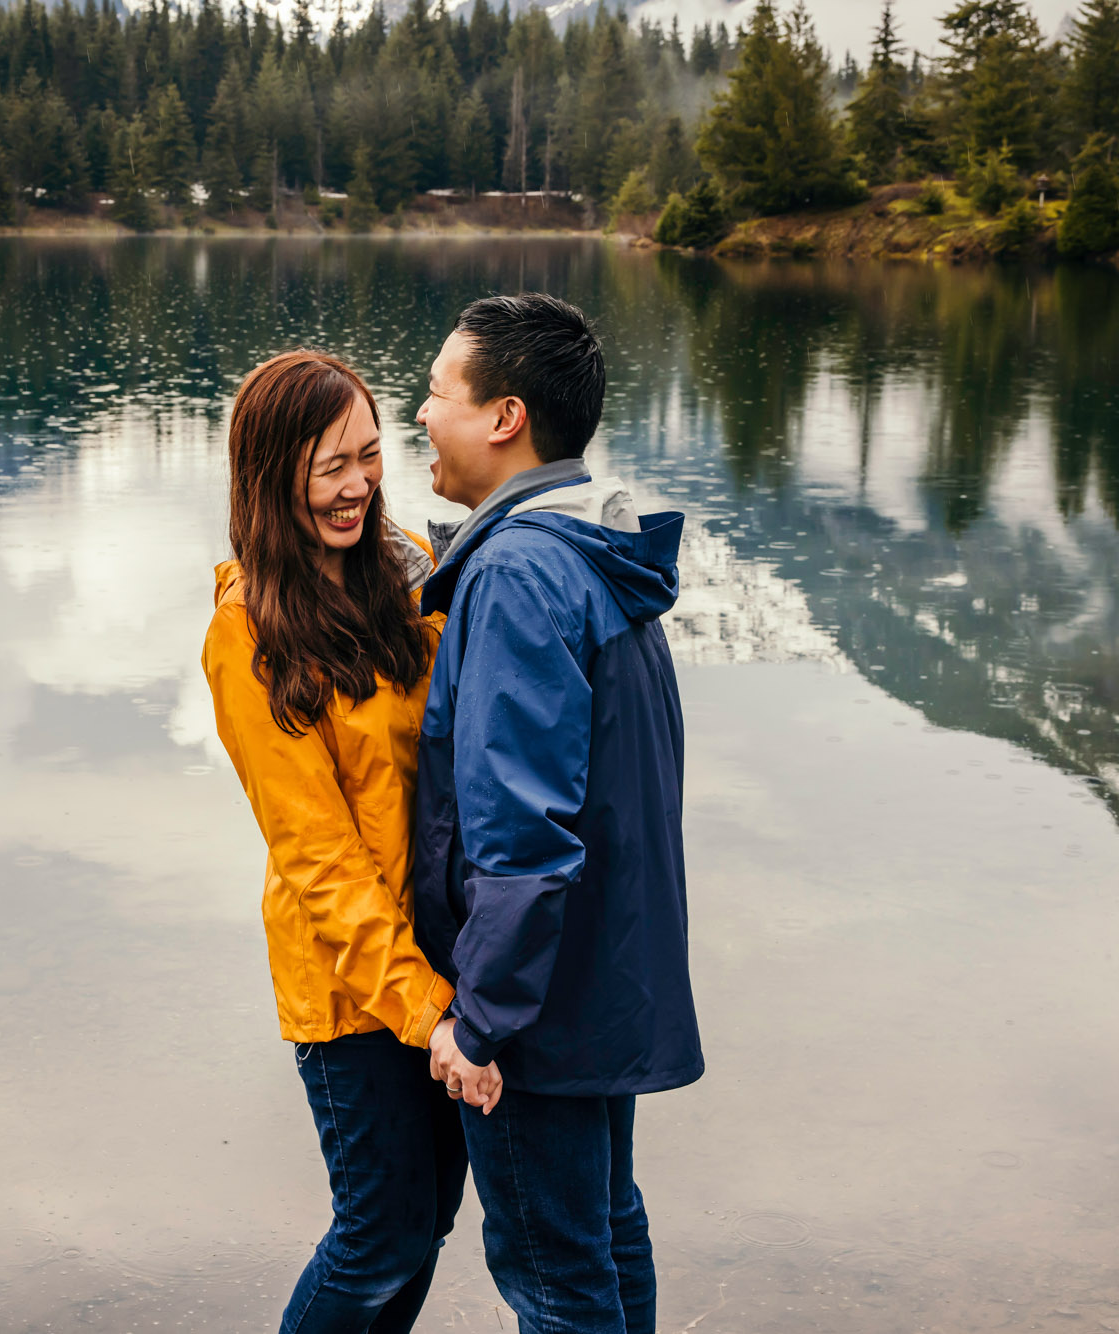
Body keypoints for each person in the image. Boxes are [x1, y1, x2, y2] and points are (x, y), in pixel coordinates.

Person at [411, 294, 703, 1334]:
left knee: (553, 1273)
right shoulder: (588, 550)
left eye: (438, 391)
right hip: (593, 980)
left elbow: (520, 831)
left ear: (504, 416)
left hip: (533, 1005)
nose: (418, 413)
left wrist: (479, 1019)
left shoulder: (520, 576)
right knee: (604, 1234)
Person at [202, 350, 482, 1333]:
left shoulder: (404, 567)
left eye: (368, 455)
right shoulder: (249, 631)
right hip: (347, 984)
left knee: (424, 1219)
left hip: (438, 958)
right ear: (272, 473)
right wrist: (424, 1010)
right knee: (381, 1228)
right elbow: (316, 855)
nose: (357, 484)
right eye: (330, 466)